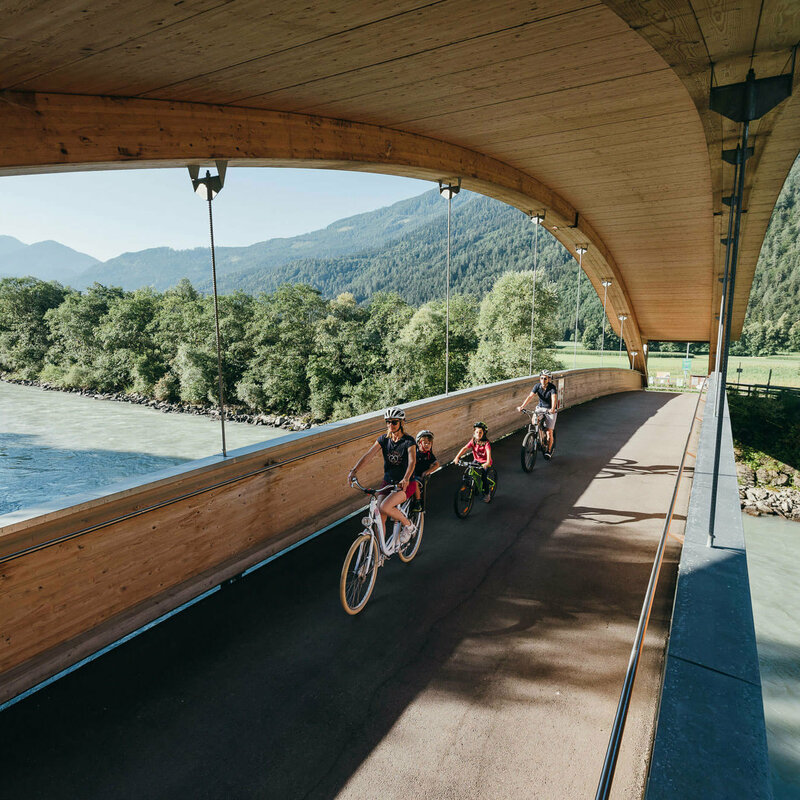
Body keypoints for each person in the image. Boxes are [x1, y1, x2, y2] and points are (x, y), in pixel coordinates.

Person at [348, 407, 417, 547]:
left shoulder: (408, 441)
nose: (390, 425)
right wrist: (354, 471)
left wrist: (406, 478)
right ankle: (380, 553)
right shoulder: (383, 440)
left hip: (405, 484)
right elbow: (368, 455)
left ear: (402, 422)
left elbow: (412, 462)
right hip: (388, 482)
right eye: (388, 422)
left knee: (385, 507)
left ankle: (409, 526)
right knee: (379, 515)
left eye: (394, 422)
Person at [518, 369, 558, 458]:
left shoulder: (552, 388)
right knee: (534, 422)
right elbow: (530, 396)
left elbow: (554, 399)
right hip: (540, 408)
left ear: (549, 379)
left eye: (545, 378)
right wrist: (522, 406)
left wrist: (552, 409)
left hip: (550, 409)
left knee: (549, 432)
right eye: (541, 378)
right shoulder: (537, 386)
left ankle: (548, 450)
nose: (543, 380)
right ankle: (538, 435)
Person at [454, 422, 493, 502]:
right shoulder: (473, 441)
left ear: (484, 433)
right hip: (477, 460)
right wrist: (457, 457)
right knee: (468, 472)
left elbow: (488, 452)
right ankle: (471, 486)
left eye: (480, 432)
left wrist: (487, 462)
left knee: (483, 477)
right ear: (474, 433)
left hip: (485, 462)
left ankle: (487, 494)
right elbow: (465, 448)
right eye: (477, 432)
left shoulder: (486, 443)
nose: (478, 434)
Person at [411, 430, 439, 512]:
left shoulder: (429, 455)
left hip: (421, 477)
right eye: (425, 443)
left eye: (429, 443)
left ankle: (418, 502)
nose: (427, 445)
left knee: (414, 482)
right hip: (411, 474)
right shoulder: (414, 452)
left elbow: (437, 464)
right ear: (419, 443)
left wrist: (427, 472)